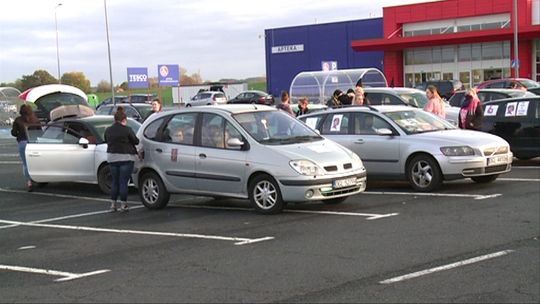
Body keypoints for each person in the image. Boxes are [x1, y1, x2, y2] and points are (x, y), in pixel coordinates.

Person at [104, 107, 139, 212]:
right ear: (124, 120)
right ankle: (123, 205)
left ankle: (113, 205)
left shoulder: (108, 130)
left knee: (115, 181)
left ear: (114, 120)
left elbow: (106, 140)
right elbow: (136, 141)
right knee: (123, 182)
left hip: (112, 158)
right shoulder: (127, 129)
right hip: (126, 157)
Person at [11, 104, 41, 191]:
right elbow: (40, 132)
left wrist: (18, 134)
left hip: (23, 143)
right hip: (34, 142)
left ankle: (29, 182)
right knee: (35, 162)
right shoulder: (35, 119)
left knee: (26, 163)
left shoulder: (18, 120)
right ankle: (38, 178)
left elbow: (13, 133)